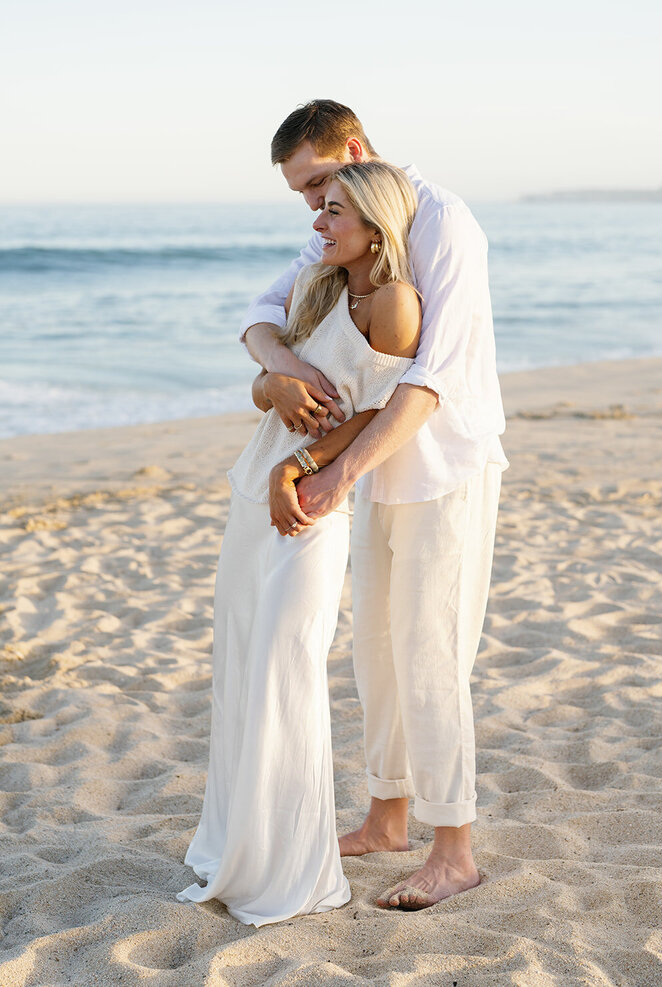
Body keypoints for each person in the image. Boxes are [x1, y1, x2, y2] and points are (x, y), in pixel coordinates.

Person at [240, 100, 508, 911]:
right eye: (307, 197)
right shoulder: (339, 218)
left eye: (321, 185)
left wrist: (338, 473)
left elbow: (432, 378)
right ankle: (387, 815)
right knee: (377, 652)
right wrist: (282, 368)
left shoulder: (444, 224)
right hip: (376, 464)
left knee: (431, 650)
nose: (315, 213)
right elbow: (263, 309)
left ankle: (453, 848)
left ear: (353, 151)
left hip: (442, 465)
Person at [177, 161, 422, 926]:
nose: (318, 221)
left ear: (376, 226)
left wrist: (304, 464)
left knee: (289, 662)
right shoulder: (319, 284)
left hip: (310, 500)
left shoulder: (396, 304)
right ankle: (243, 845)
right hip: (254, 489)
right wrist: (273, 385)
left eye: (335, 211)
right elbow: (263, 382)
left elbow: (378, 413)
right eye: (321, 210)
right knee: (245, 661)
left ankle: (290, 862)